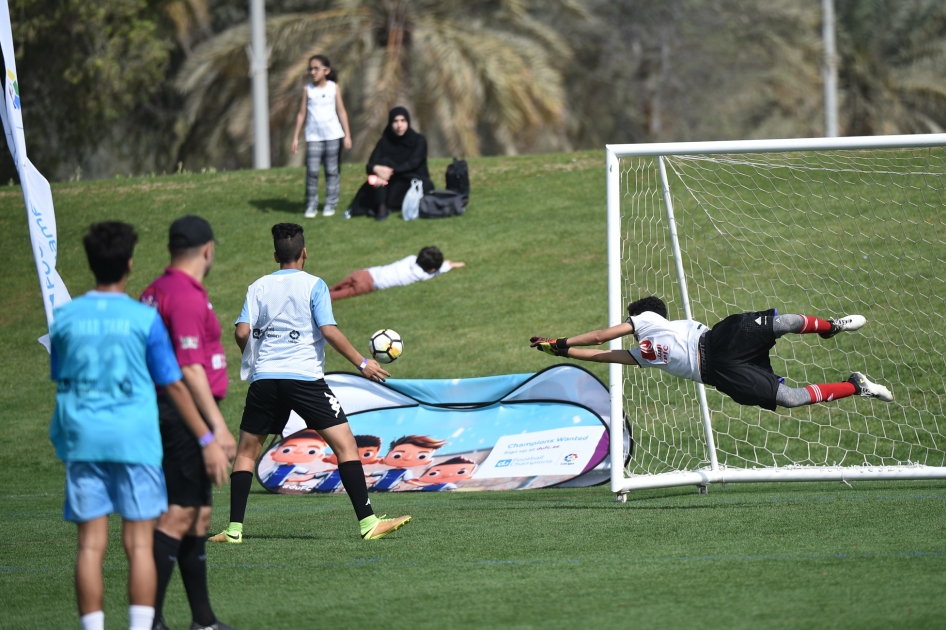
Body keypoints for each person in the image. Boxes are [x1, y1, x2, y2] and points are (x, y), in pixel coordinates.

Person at [48, 222, 229, 630]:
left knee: (90, 546)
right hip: (135, 438)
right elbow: (173, 383)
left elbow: (61, 375)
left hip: (84, 438)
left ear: (90, 263)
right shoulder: (143, 318)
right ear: (130, 263)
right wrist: (207, 435)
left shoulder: (64, 317)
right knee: (140, 543)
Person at [209, 223, 411, 544]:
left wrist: (256, 358)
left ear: (275, 255)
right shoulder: (314, 285)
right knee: (345, 446)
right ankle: (368, 523)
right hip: (303, 378)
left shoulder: (257, 286)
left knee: (246, 453)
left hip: (265, 379)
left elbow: (242, 332)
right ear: (305, 252)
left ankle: (233, 530)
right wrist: (362, 363)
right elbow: (328, 330)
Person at [531, 296, 893, 411]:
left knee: (783, 323)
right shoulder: (641, 356)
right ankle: (856, 386)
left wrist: (562, 340)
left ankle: (830, 327)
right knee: (790, 399)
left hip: (718, 341)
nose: (628, 325)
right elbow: (600, 355)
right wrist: (564, 352)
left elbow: (599, 337)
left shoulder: (648, 320)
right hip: (718, 374)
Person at [139, 216, 238, 630]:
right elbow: (190, 369)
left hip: (175, 411)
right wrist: (215, 429)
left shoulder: (158, 289)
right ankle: (149, 621)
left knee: (197, 515)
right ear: (208, 249)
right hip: (181, 415)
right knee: (178, 514)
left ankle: (203, 620)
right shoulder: (182, 295)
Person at [344, 106, 433, 221]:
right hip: (390, 182)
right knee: (382, 164)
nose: (399, 125)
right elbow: (370, 165)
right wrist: (377, 169)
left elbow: (412, 164)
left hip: (412, 180)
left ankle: (382, 206)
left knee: (384, 168)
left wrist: (387, 173)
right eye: (395, 121)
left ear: (408, 122)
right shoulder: (384, 141)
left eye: (403, 121)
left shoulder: (418, 140)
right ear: (390, 123)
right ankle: (382, 207)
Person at [290, 55, 352, 219]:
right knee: (312, 171)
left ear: (326, 70)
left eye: (316, 68)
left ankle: (330, 203)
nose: (312, 72)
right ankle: (311, 204)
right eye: (310, 69)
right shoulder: (308, 89)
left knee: (332, 170)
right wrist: (295, 137)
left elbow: (342, 111)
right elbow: (301, 114)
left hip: (333, 135)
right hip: (313, 137)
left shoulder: (333, 88)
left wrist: (347, 135)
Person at [329, 246, 465, 301]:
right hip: (370, 285)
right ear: (432, 269)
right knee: (336, 296)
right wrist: (452, 265)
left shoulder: (410, 259)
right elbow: (440, 269)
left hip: (365, 273)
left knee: (334, 288)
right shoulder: (422, 275)